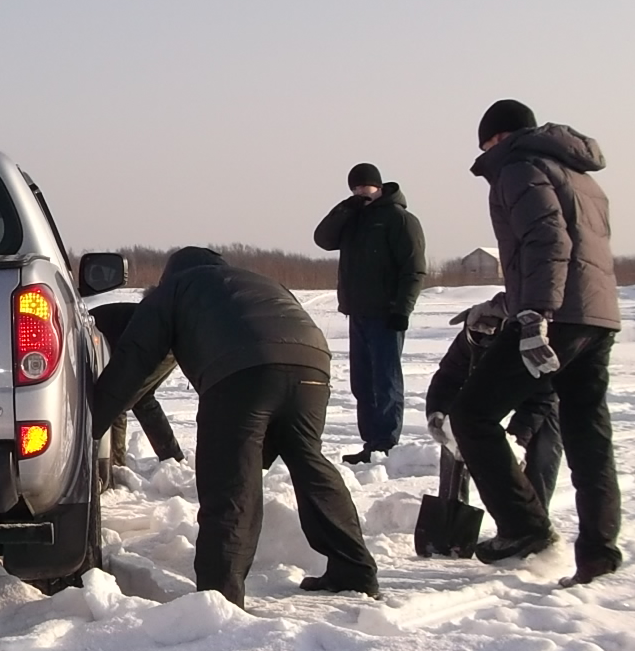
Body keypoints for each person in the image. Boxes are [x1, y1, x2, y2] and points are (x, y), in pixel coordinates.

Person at [91, 247, 379, 607]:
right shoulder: (257, 280)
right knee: (309, 463)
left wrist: (90, 426)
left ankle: (220, 597)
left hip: (242, 371)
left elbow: (133, 363)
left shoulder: (174, 289)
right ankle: (354, 569)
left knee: (230, 482)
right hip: (312, 365)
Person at [449, 99, 621, 587]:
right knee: (588, 434)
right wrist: (505, 303)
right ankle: (599, 552)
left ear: (500, 138)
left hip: (556, 318)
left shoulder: (519, 167)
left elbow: (547, 242)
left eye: (487, 144)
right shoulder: (579, 175)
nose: (485, 154)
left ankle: (525, 529)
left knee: (472, 414)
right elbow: (575, 255)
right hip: (595, 317)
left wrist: (534, 314)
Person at [313, 162, 426, 464]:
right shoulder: (353, 219)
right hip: (358, 313)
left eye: (365, 186)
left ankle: (386, 444)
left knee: (385, 382)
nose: (360, 192)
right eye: (355, 188)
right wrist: (344, 209)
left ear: (379, 186)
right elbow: (323, 239)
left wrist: (403, 309)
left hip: (386, 314)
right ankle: (370, 444)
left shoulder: (399, 219)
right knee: (362, 383)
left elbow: (414, 269)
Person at [424, 294, 561, 507]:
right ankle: (451, 504)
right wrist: (437, 412)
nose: (483, 337)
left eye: (489, 335)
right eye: (478, 336)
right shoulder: (471, 337)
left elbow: (541, 399)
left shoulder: (528, 339)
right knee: (453, 427)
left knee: (544, 435)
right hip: (492, 388)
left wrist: (517, 442)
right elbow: (448, 377)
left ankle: (532, 512)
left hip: (536, 390)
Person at [88, 301, 185, 470]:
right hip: (170, 343)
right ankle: (173, 460)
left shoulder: (79, 329)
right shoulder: (88, 321)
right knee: (143, 400)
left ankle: (115, 467)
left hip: (158, 342)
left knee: (116, 402)